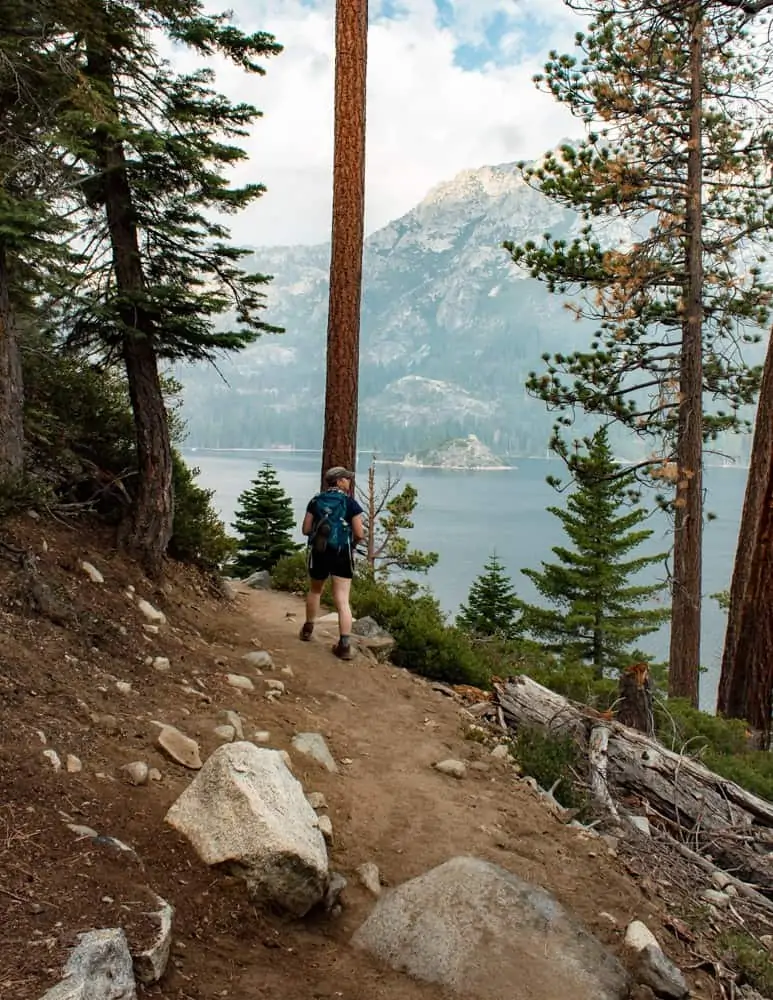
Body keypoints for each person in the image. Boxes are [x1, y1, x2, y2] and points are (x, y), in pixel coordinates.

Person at [300, 466, 364, 660]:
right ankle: (344, 644)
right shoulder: (350, 503)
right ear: (339, 482)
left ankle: (308, 628)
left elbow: (305, 529)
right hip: (341, 553)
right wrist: (351, 543)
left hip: (320, 552)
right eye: (346, 478)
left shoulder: (315, 501)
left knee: (315, 590)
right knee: (342, 599)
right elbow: (360, 533)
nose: (349, 481)